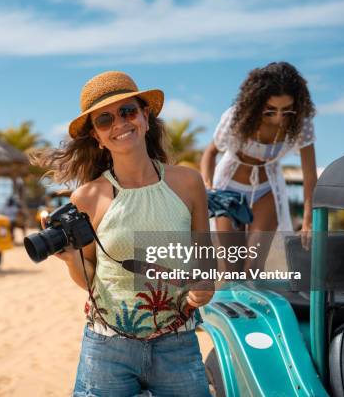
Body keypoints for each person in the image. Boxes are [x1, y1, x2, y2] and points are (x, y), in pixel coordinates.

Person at [32, 71, 212, 396]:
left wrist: (205, 285)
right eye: (104, 120)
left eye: (127, 111)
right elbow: (89, 276)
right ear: (97, 137)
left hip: (178, 344)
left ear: (145, 116)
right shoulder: (87, 198)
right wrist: (72, 259)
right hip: (107, 350)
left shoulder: (188, 183)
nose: (119, 123)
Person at [200, 62, 318, 271]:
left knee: (254, 266)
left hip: (267, 188)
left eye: (286, 110)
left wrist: (309, 220)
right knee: (231, 266)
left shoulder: (301, 122)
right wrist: (208, 188)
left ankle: (251, 302)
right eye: (270, 110)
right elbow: (210, 153)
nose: (279, 117)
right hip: (229, 190)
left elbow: (309, 175)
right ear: (257, 101)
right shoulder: (237, 117)